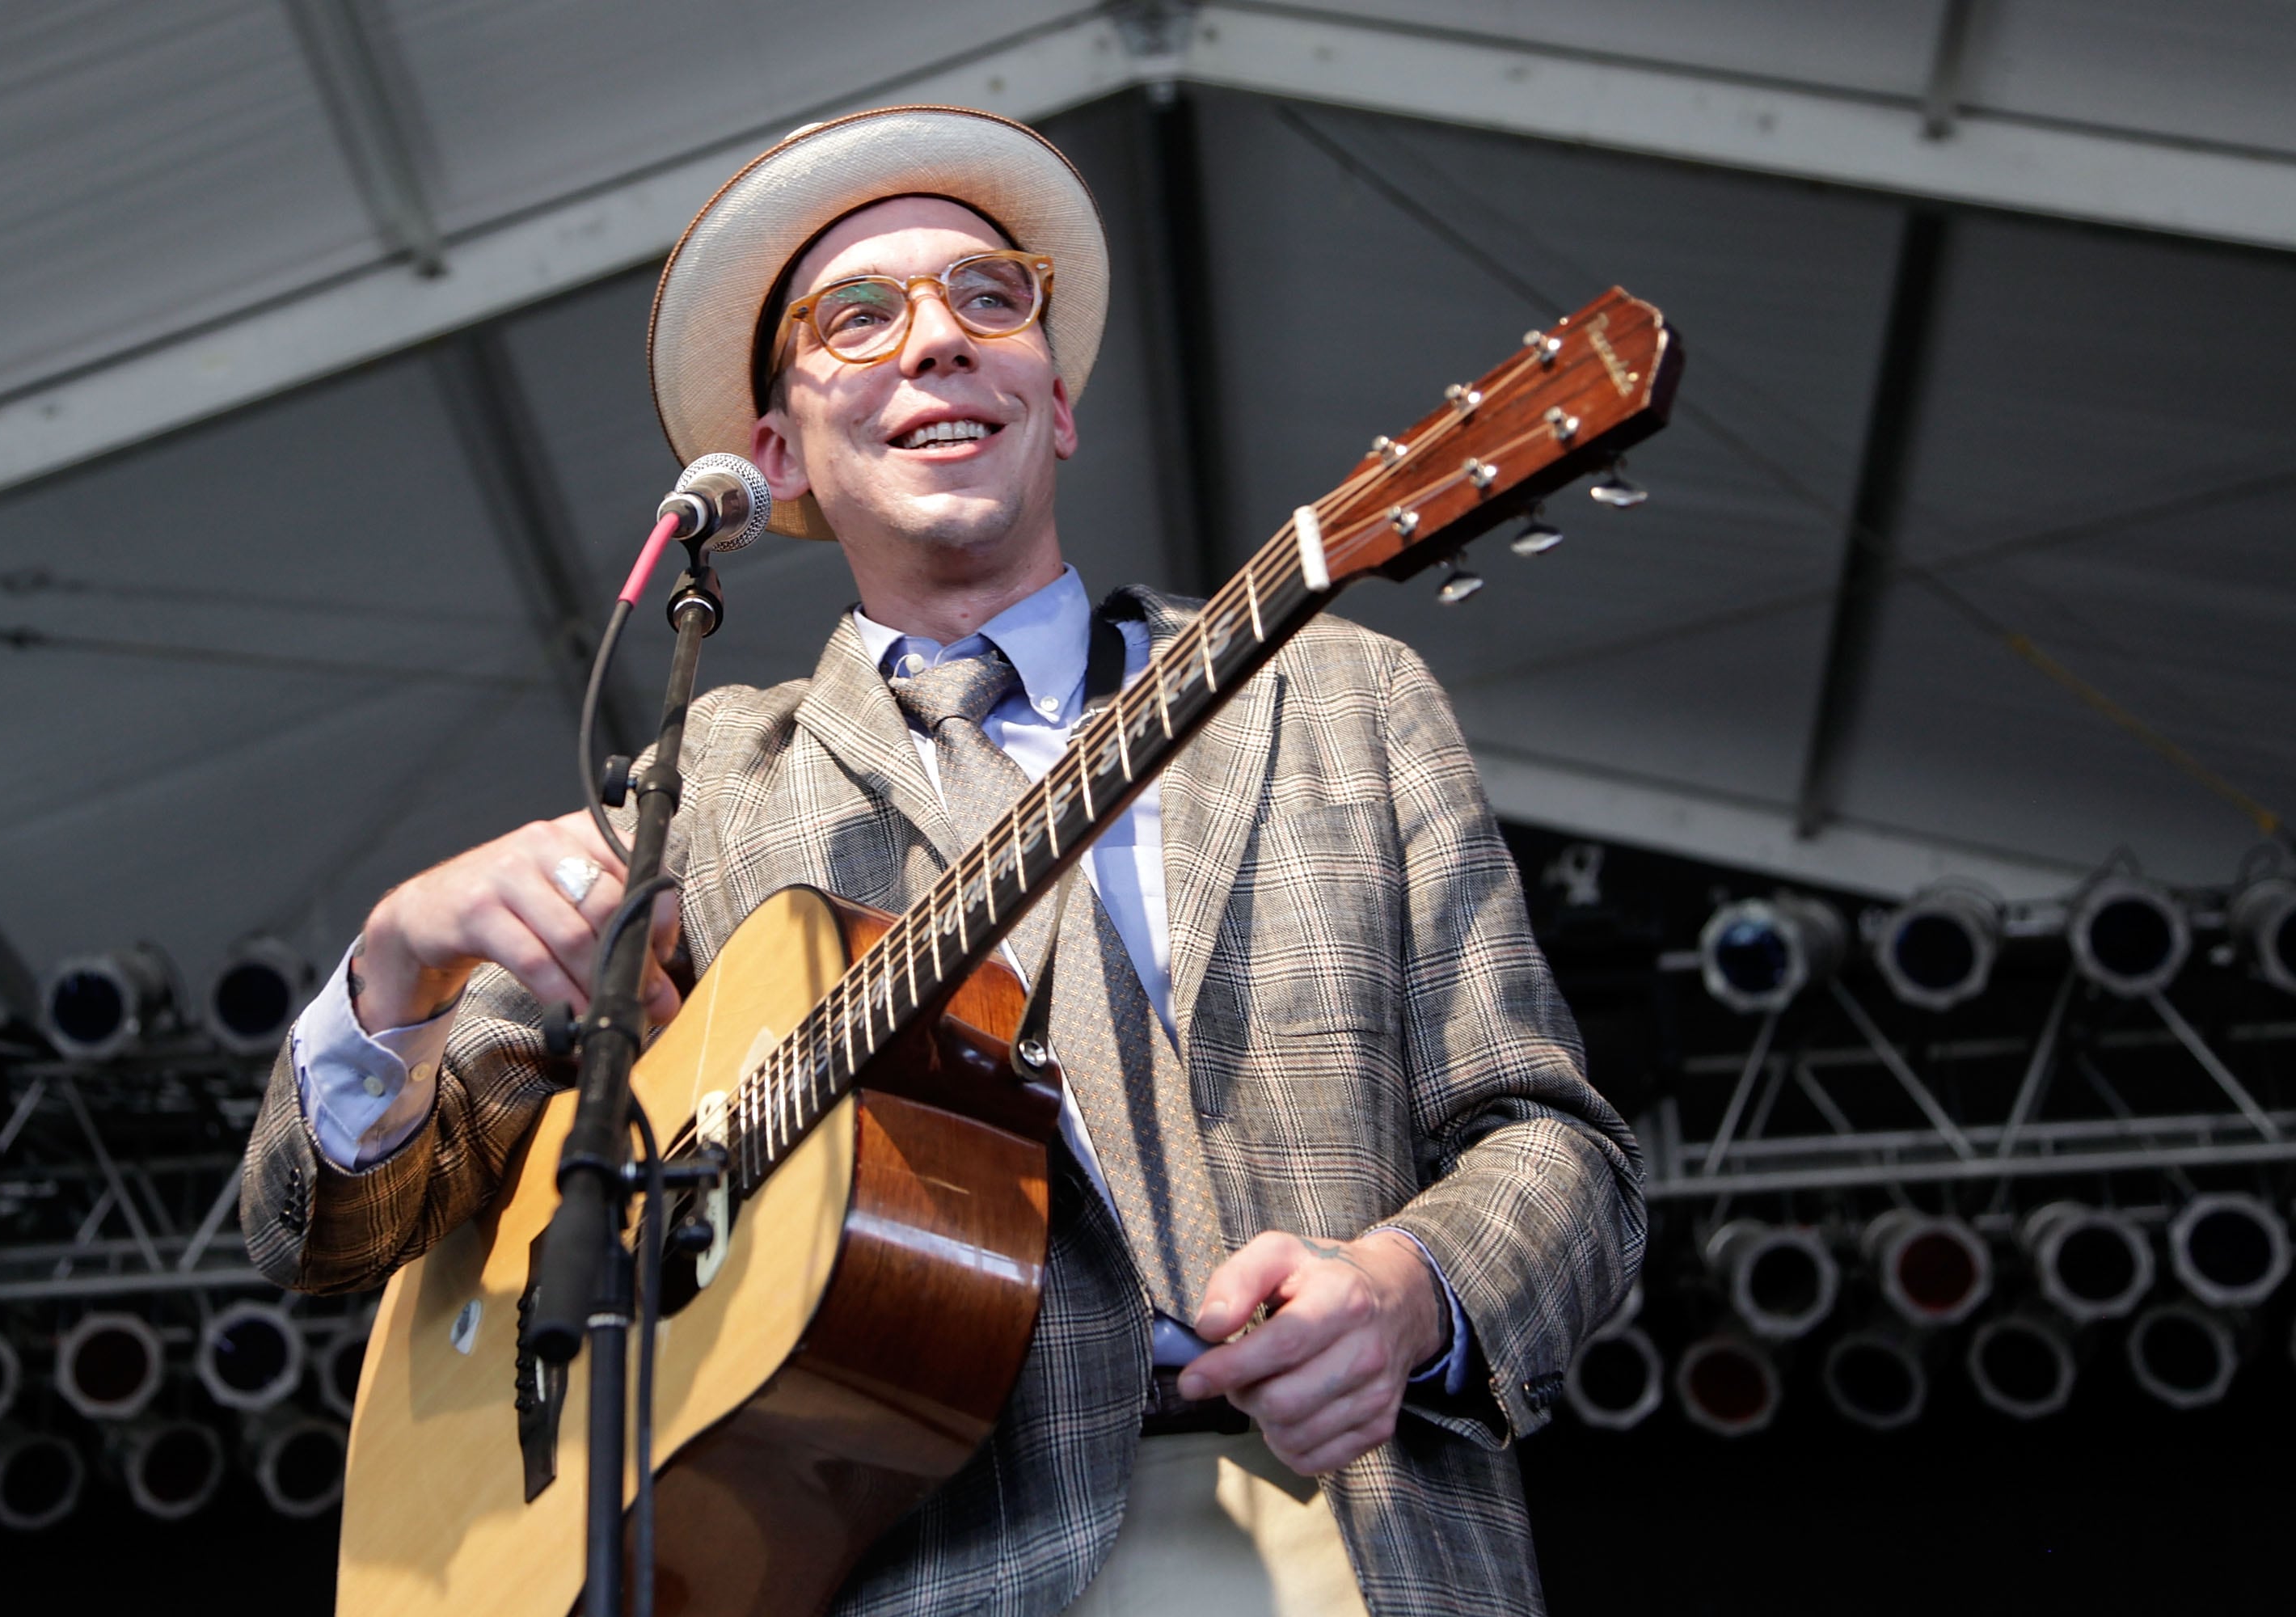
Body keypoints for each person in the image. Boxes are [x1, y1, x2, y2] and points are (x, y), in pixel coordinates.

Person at [242, 106, 1644, 1615]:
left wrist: (1414, 1293)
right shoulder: (702, 789)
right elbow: (330, 1233)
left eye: (992, 297)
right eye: (859, 316)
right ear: (774, 452)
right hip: (912, 1571)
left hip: (1351, 1538)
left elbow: (1565, 1152)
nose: (938, 341)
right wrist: (396, 971)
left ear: (1058, 396)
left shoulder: (1337, 698)